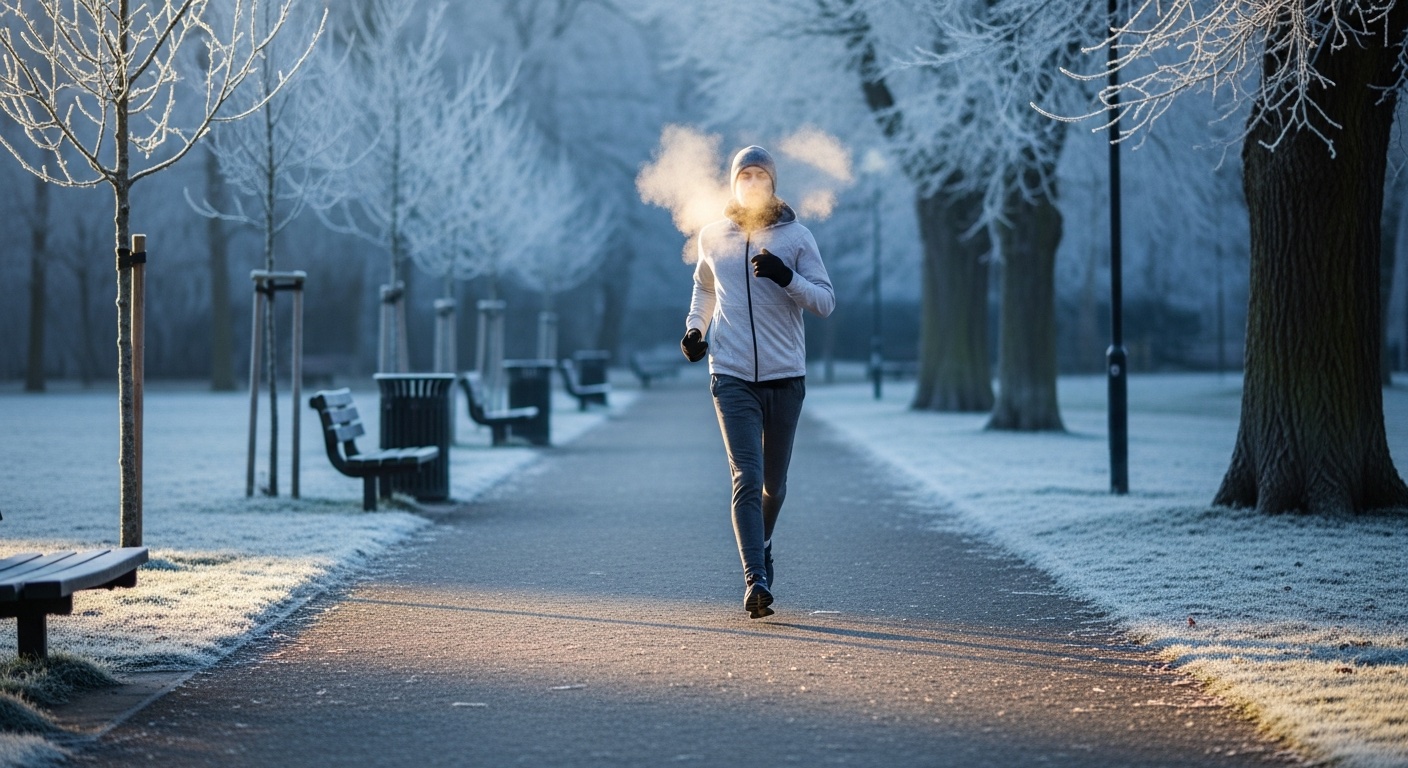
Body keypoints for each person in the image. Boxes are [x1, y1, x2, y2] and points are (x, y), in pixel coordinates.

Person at [681, 145, 835, 619]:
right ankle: (756, 580)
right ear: (733, 183)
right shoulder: (713, 237)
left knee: (774, 484)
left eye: (759, 175)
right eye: (743, 175)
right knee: (746, 477)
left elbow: (825, 301)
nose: (751, 182)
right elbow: (705, 287)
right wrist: (694, 330)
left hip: (785, 376)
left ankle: (762, 543)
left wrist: (786, 276)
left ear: (772, 183)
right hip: (729, 375)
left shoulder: (796, 237)